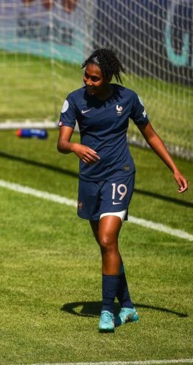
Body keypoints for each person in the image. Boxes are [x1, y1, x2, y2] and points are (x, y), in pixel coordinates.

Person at [56, 48, 188, 333]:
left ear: (107, 78)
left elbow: (150, 134)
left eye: (94, 78)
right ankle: (127, 306)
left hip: (120, 174)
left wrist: (174, 168)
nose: (87, 82)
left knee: (107, 239)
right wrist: (75, 146)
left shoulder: (127, 99)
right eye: (86, 76)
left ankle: (107, 310)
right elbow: (62, 143)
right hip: (90, 179)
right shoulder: (74, 100)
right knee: (108, 246)